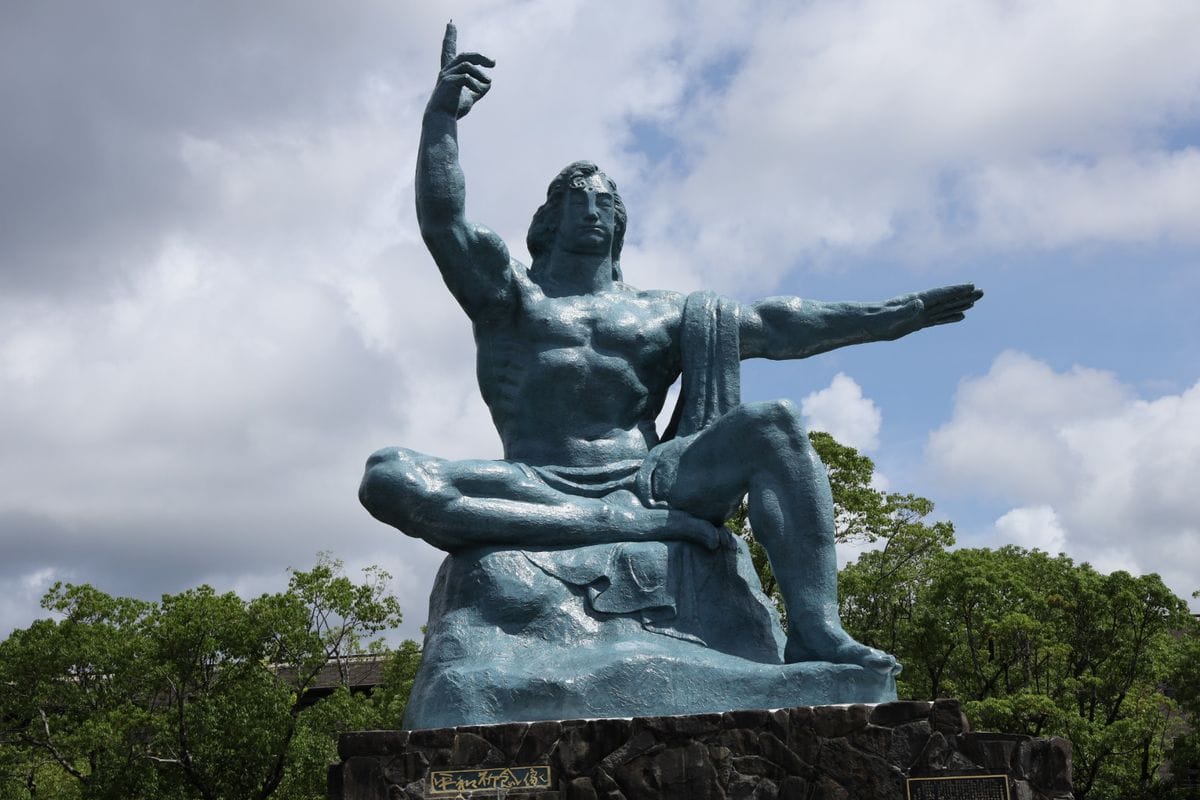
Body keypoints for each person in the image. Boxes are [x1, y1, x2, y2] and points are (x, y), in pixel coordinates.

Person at [360, 25, 981, 721]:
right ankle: (595, 524)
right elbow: (444, 221)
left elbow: (781, 324)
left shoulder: (662, 315)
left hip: (649, 478)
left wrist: (890, 316)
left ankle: (817, 629)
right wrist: (441, 117)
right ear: (549, 218)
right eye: (577, 200)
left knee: (774, 426)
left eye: (605, 202)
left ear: (620, 222)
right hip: (534, 477)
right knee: (387, 475)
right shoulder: (511, 299)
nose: (593, 210)